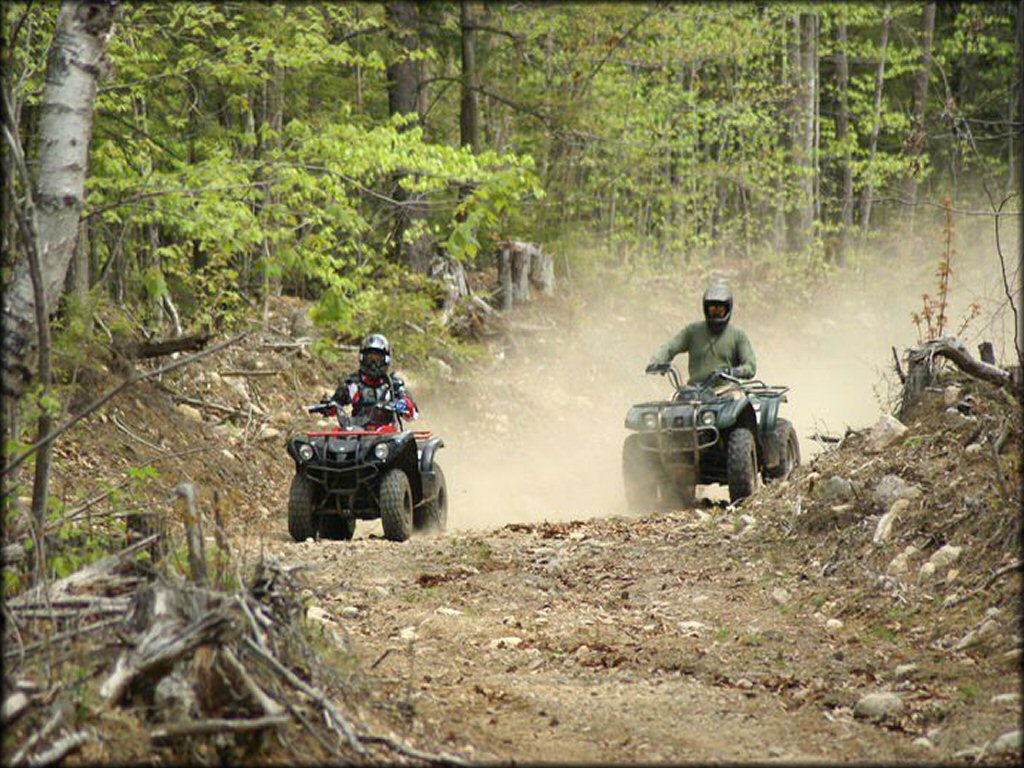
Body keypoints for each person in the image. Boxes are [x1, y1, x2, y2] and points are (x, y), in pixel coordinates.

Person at [645, 283, 756, 384]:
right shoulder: (693, 331)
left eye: (720, 310)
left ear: (728, 309)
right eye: (712, 310)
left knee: (739, 399)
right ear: (706, 309)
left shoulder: (738, 335)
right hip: (695, 392)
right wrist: (657, 360)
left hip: (727, 391)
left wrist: (733, 372)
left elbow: (750, 366)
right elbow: (670, 347)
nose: (716, 314)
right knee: (669, 402)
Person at [330, 333, 418, 425]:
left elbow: (413, 414)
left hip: (388, 434)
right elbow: (334, 405)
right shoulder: (353, 384)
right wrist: (328, 406)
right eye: (370, 358)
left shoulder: (393, 385)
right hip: (358, 434)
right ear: (362, 358)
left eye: (377, 359)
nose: (373, 364)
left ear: (385, 359)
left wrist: (393, 405)